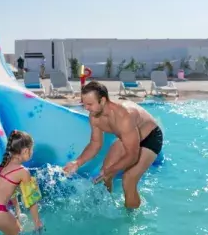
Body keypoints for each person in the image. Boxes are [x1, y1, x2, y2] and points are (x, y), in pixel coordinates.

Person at [63, 81, 162, 210]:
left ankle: (131, 215)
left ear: (103, 100)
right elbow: (95, 144)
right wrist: (77, 162)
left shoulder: (123, 115)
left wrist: (111, 171)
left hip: (150, 138)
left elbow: (132, 155)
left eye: (90, 104)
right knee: (105, 171)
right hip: (128, 138)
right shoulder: (94, 117)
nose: (86, 108)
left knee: (128, 179)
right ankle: (107, 206)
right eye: (84, 103)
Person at [0, 130, 43, 235]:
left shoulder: (3, 164)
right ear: (25, 151)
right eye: (32, 149)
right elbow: (32, 200)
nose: (32, 152)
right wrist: (37, 223)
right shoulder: (23, 172)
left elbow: (11, 191)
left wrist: (17, 211)